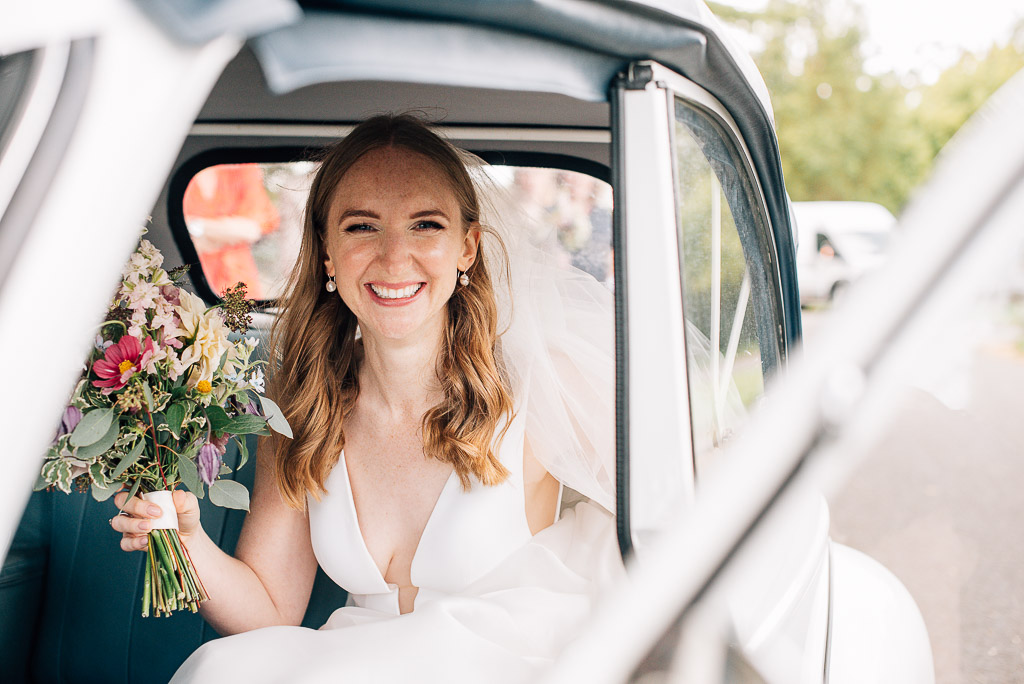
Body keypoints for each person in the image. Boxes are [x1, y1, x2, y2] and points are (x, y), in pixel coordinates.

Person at [112, 114, 620, 682]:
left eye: (425, 225)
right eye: (361, 228)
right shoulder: (303, 401)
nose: (394, 256)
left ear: (467, 248)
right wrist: (186, 542)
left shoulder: (547, 382)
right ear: (327, 252)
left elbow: (678, 520)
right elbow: (269, 609)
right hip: (357, 662)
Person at [183, 164, 280, 299]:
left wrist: (194, 226)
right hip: (189, 283)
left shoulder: (242, 167)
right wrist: (228, 233)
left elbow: (251, 230)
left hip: (238, 283)